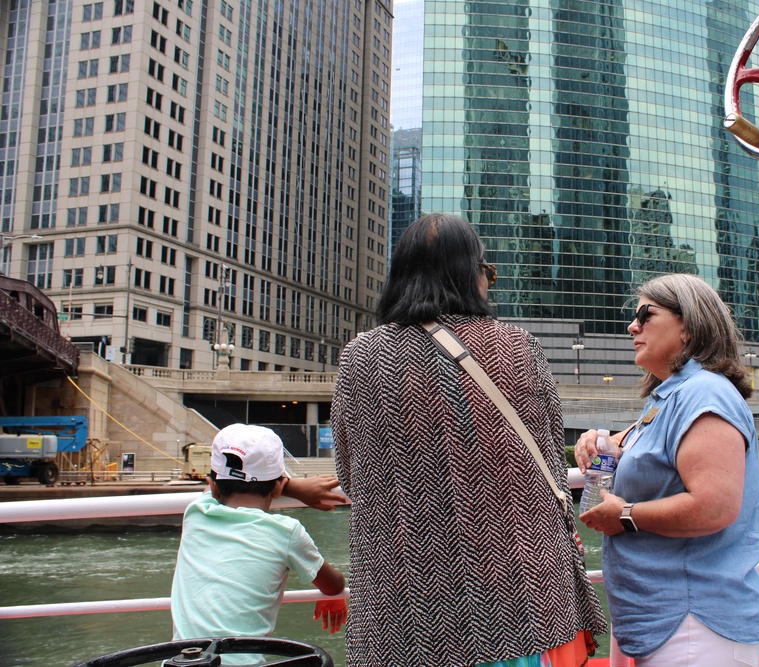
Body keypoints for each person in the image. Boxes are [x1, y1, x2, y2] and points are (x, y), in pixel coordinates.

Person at [331, 213, 607, 667]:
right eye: (487, 272)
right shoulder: (519, 347)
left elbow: (349, 470)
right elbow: (551, 460)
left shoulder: (361, 355)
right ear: (470, 274)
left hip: (404, 601)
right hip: (524, 592)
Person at [576, 274, 759, 667]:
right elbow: (634, 464)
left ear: (687, 326)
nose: (633, 326)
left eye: (645, 315)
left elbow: (714, 507)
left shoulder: (705, 393)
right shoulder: (667, 399)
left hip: (696, 624)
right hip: (670, 624)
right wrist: (600, 444)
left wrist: (626, 517)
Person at [170, 423, 347, 664]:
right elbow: (333, 584)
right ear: (277, 487)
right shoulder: (285, 531)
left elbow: (210, 488)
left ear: (213, 485)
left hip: (183, 662)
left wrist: (290, 488)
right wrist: (291, 487)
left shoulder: (196, 512)